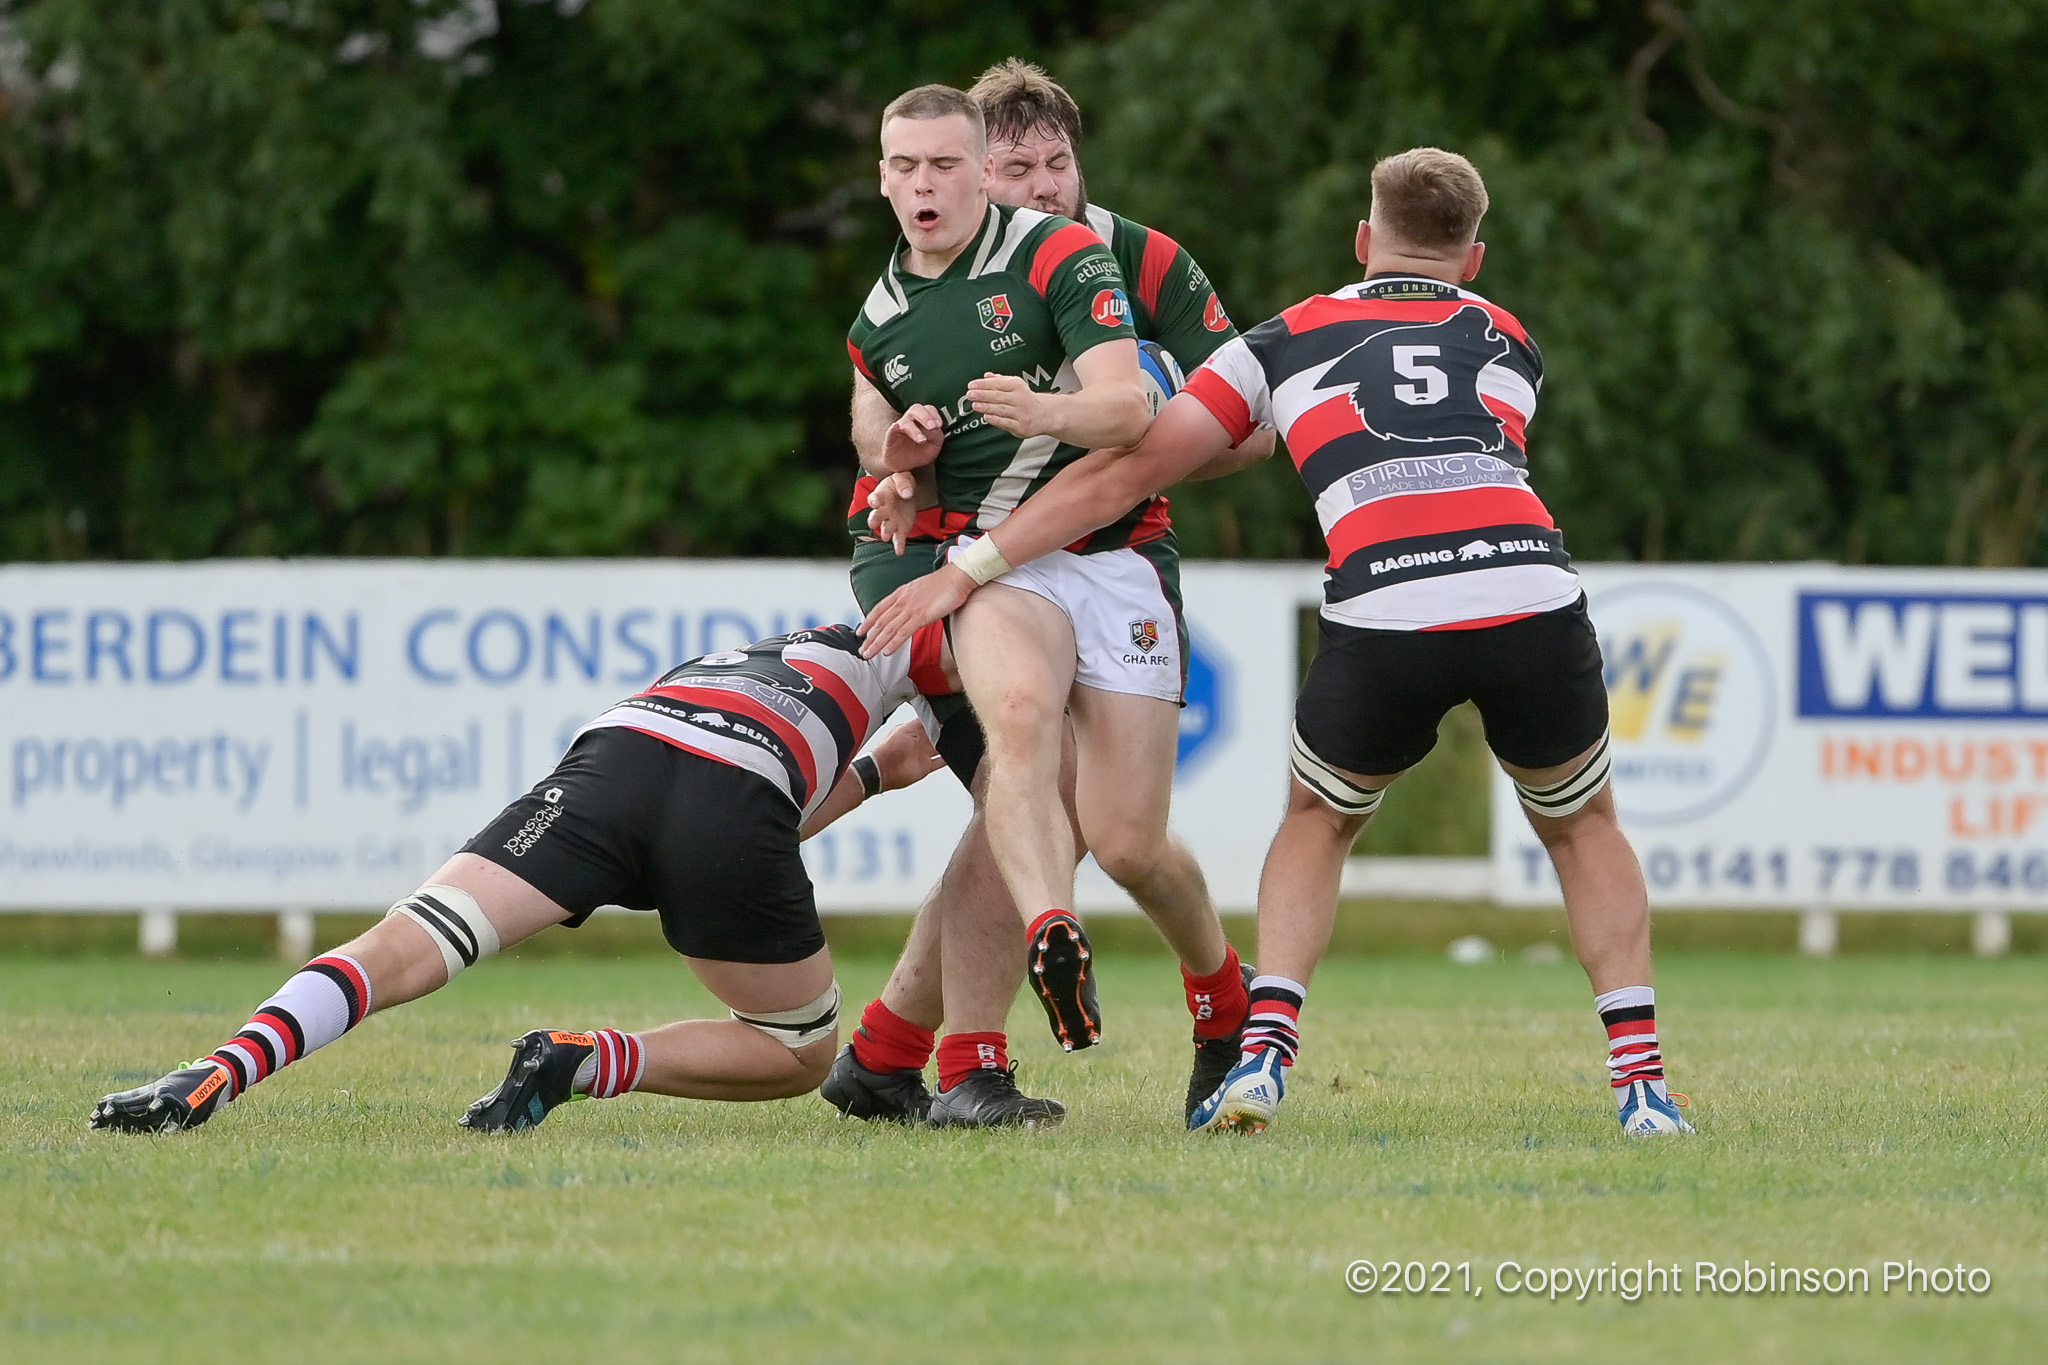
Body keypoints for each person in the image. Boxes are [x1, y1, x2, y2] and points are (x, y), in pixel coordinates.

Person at [861, 148, 1696, 1140]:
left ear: (1361, 238)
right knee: (1582, 826)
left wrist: (972, 563)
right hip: (1528, 587)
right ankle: (1642, 1087)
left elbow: (1124, 475)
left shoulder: (1288, 337)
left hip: (1387, 598)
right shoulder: (1508, 335)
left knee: (1318, 821)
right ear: (1473, 259)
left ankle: (1260, 1053)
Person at [829, 62, 1270, 1127]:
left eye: (1054, 164)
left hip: (1108, 550)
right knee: (1020, 758)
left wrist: (1132, 450)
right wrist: (896, 461)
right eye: (1014, 168)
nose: (1038, 186)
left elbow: (1246, 426)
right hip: (953, 552)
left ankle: (889, 1050)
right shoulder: (912, 284)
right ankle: (972, 1055)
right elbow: (873, 403)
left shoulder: (1130, 260)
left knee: (1116, 833)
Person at [88, 623, 968, 1134]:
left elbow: (730, 799)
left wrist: (871, 770)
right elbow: (741, 817)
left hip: (622, 749)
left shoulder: (775, 646)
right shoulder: (936, 636)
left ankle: (219, 1068)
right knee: (797, 1050)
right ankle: (582, 1061)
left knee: (411, 938)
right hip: (734, 786)